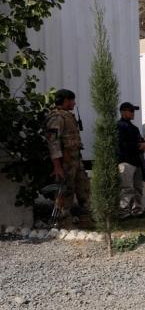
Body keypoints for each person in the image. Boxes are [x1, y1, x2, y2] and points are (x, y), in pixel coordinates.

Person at [45, 89, 92, 228]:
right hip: (65, 163)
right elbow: (53, 143)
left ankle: (86, 220)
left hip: (76, 161)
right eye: (72, 100)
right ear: (65, 100)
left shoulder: (67, 116)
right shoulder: (56, 118)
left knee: (84, 189)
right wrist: (57, 166)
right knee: (65, 193)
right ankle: (63, 223)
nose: (74, 103)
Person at [117, 102, 145, 219]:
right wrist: (138, 145)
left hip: (137, 161)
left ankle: (137, 210)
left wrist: (144, 144)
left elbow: (142, 141)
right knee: (127, 189)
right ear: (123, 112)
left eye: (133, 111)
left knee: (138, 188)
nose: (133, 113)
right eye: (131, 111)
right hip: (126, 161)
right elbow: (121, 144)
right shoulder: (119, 126)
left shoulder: (134, 128)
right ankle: (124, 212)